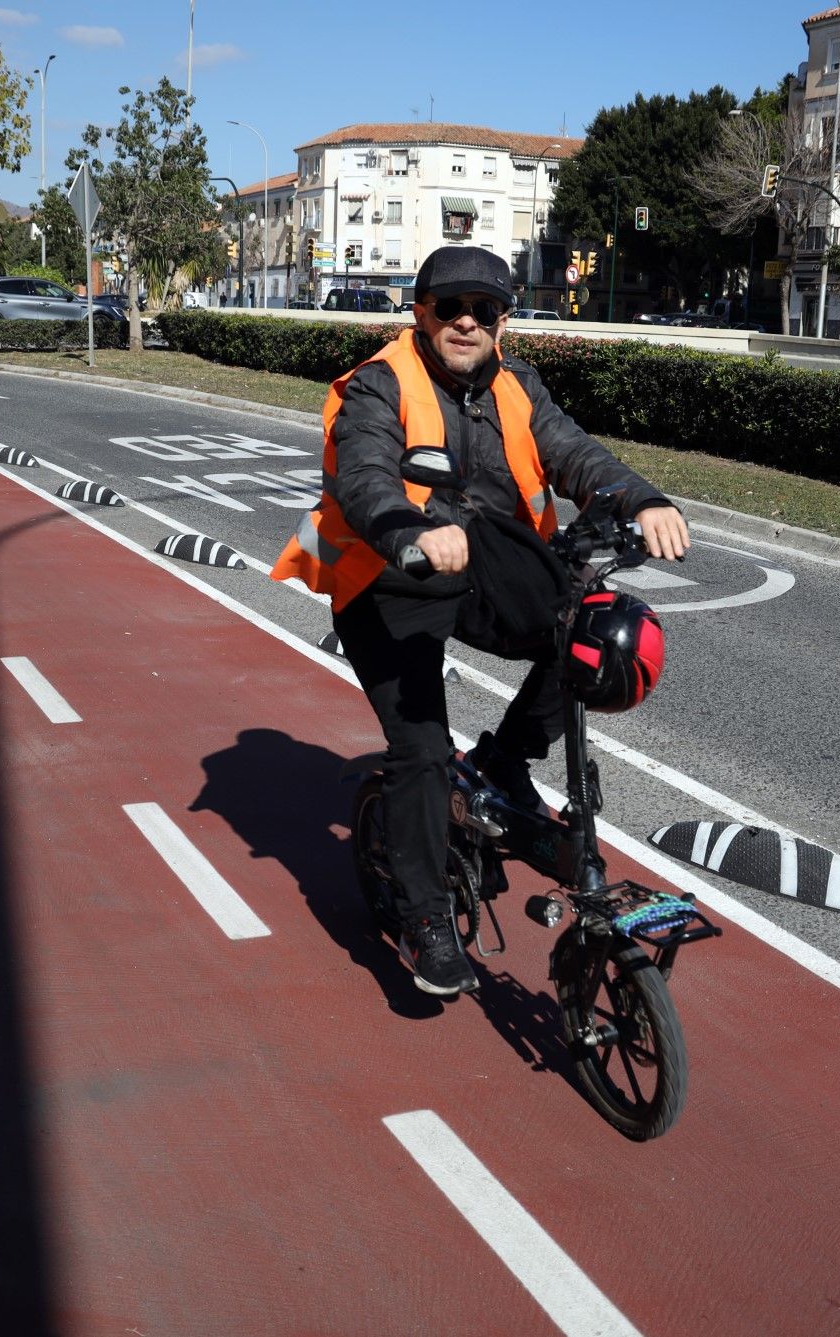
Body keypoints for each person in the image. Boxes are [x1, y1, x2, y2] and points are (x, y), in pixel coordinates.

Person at [272, 246, 690, 998]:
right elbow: (364, 473)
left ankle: (506, 762)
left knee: (602, 635)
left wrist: (644, 499)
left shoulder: (518, 386)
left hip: (483, 564)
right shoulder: (378, 385)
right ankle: (425, 914)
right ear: (419, 312)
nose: (467, 321)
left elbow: (578, 455)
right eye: (450, 307)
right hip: (386, 581)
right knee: (423, 750)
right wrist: (407, 528)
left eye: (485, 310)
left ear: (504, 322)